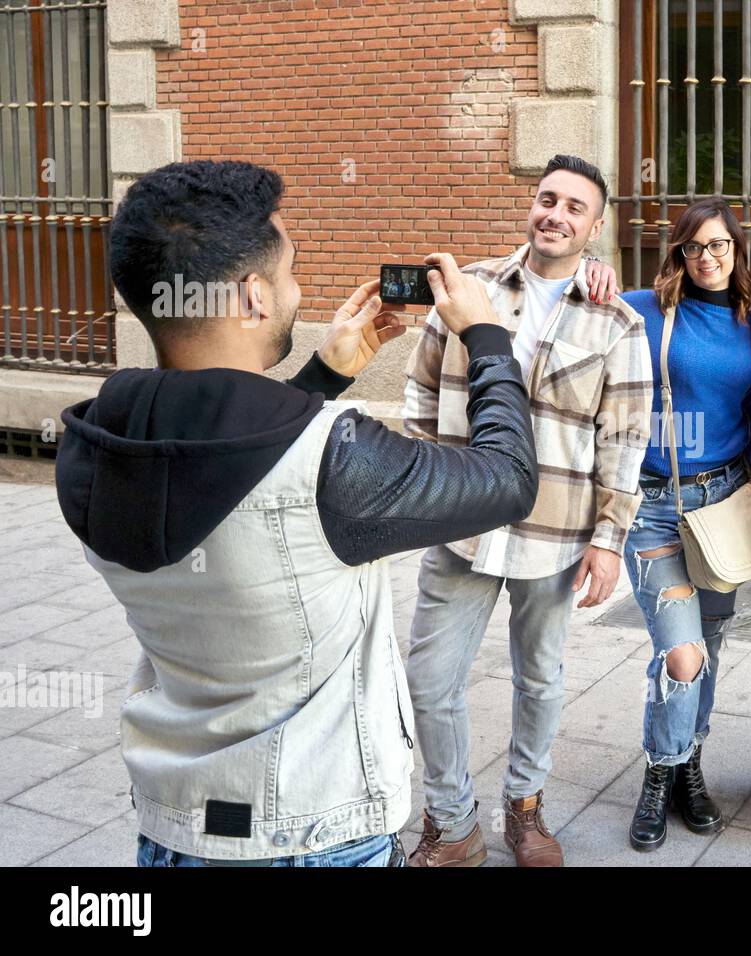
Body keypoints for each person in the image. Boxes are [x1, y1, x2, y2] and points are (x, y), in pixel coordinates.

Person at [54, 160, 538, 867]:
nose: (297, 291)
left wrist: (323, 376)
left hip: (175, 826)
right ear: (253, 297)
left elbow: (225, 464)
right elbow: (507, 478)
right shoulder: (335, 460)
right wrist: (488, 338)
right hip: (313, 833)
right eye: (290, 273)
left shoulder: (94, 445)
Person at [402, 154, 653, 867]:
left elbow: (625, 438)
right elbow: (421, 395)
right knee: (429, 679)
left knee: (539, 677)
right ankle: (451, 824)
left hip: (556, 533)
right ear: (531, 205)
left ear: (595, 227)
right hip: (461, 525)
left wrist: (611, 538)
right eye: (548, 199)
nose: (556, 214)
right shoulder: (467, 289)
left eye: (576, 207)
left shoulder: (619, 322)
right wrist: (428, 488)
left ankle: (525, 806)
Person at [615, 198, 751, 851]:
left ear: (737, 253)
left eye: (720, 247)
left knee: (711, 650)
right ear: (679, 253)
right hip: (654, 509)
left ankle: (689, 764)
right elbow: (561, 316)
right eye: (695, 247)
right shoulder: (643, 309)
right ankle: (659, 772)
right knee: (683, 655)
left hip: (723, 504)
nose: (708, 258)